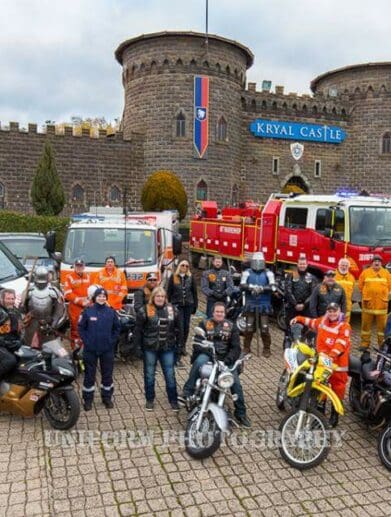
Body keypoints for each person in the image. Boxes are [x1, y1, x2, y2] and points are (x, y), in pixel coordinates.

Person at [180, 302, 251, 428]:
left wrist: (227, 360)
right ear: (213, 313)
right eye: (217, 311)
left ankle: (241, 413)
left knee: (236, 384)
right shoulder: (204, 324)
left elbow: (236, 348)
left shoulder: (232, 326)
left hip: (225, 360)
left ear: (225, 313)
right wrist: (210, 353)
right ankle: (187, 391)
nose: (219, 314)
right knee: (199, 361)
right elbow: (197, 343)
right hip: (208, 355)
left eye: (221, 312)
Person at [291, 302, 351, 425]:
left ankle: (335, 414)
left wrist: (331, 355)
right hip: (323, 363)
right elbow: (311, 322)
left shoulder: (344, 327)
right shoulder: (323, 321)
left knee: (338, 389)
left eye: (335, 311)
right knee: (320, 385)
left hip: (337, 366)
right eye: (330, 311)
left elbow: (341, 344)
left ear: (340, 311)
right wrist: (298, 318)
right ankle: (320, 412)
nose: (332, 313)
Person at [134, 286, 182, 412]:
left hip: (168, 348)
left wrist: (180, 347)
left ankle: (173, 400)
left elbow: (180, 330)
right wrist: (137, 347)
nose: (160, 298)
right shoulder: (144, 310)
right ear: (153, 297)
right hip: (150, 348)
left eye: (162, 296)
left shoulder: (173, 310)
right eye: (157, 296)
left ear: (165, 298)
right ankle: (149, 400)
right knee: (149, 375)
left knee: (170, 375)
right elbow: (137, 330)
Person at [78, 287, 121, 410]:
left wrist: (111, 341)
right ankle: (88, 400)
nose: (101, 298)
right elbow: (81, 328)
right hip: (90, 350)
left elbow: (117, 328)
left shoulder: (111, 312)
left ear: (106, 298)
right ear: (94, 298)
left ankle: (107, 398)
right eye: (99, 296)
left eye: (103, 296)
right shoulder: (88, 311)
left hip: (107, 349)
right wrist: (87, 341)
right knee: (89, 375)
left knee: (107, 374)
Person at [240, 252, 276, 357]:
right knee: (249, 327)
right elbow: (242, 285)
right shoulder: (247, 272)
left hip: (264, 303)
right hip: (251, 302)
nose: (258, 263)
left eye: (260, 261)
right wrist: (251, 287)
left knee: (264, 328)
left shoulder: (268, 273)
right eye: (256, 261)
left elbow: (273, 287)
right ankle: (246, 348)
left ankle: (266, 348)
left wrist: (262, 288)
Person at [23, 266, 67, 348]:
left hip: (48, 324)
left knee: (49, 349)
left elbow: (60, 312)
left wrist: (53, 325)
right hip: (32, 324)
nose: (41, 283)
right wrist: (25, 321)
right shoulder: (29, 292)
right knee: (30, 349)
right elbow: (22, 310)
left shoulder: (53, 292)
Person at [167, 259, 198, 365]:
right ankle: (178, 347)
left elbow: (194, 292)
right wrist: (169, 306)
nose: (184, 267)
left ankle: (183, 346)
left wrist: (195, 306)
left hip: (188, 305)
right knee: (180, 327)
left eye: (186, 266)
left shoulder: (190, 278)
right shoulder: (173, 277)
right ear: (179, 266)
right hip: (177, 305)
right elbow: (169, 293)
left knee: (186, 327)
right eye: (183, 265)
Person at [358, 255, 391, 349]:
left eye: (379, 261)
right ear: (372, 263)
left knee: (382, 329)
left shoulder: (386, 274)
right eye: (375, 261)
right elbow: (360, 286)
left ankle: (382, 345)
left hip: (382, 307)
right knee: (365, 327)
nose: (377, 263)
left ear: (381, 263)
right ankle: (365, 344)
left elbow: (389, 288)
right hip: (368, 306)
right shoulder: (365, 273)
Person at [284, 255, 317, 347]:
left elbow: (313, 293)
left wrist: (304, 304)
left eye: (304, 264)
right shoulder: (291, 275)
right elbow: (288, 290)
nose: (302, 265)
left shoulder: (311, 277)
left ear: (307, 265)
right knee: (289, 325)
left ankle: (305, 344)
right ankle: (288, 343)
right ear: (297, 264)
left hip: (306, 307)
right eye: (300, 264)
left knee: (307, 327)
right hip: (292, 306)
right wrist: (295, 304)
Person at [63, 258, 91, 349]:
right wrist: (81, 302)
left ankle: (86, 348)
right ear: (74, 267)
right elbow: (68, 294)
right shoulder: (69, 277)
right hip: (75, 308)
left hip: (87, 307)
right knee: (76, 329)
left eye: (81, 266)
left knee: (88, 327)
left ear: (84, 267)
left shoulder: (88, 276)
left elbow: (92, 291)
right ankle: (76, 351)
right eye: (77, 266)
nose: (79, 268)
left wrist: (90, 302)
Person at [335, 258, 356, 323]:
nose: (344, 267)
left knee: (345, 325)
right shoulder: (332, 276)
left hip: (347, 306)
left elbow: (352, 290)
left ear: (348, 267)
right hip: (335, 305)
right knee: (334, 324)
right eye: (342, 265)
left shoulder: (351, 278)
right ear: (339, 265)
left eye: (346, 265)